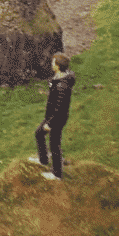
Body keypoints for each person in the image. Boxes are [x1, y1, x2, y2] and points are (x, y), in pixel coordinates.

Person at [29, 52, 75, 180]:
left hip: (57, 119)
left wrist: (50, 124)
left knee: (54, 144)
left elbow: (59, 108)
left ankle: (57, 174)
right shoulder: (59, 77)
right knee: (39, 134)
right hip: (52, 116)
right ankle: (43, 160)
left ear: (58, 65)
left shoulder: (62, 86)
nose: (51, 64)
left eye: (53, 62)